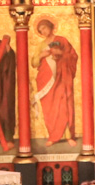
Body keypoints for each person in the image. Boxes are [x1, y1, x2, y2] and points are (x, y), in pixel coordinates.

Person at [32, 18, 78, 146]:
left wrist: (61, 53)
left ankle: (68, 136)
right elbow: (34, 62)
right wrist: (41, 55)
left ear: (51, 27)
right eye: (40, 30)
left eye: (44, 28)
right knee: (50, 108)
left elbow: (73, 55)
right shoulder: (41, 45)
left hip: (62, 77)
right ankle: (53, 136)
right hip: (45, 79)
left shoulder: (62, 40)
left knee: (64, 105)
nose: (43, 31)